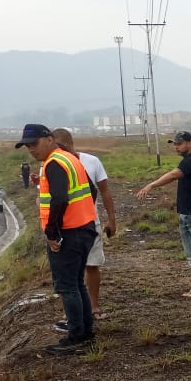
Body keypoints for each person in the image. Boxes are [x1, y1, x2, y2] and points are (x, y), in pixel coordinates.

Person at [15, 124, 98, 355]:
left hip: (68, 234)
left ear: (49, 139)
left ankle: (77, 336)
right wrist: (84, 214)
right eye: (27, 146)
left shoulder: (53, 163)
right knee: (77, 284)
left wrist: (52, 233)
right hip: (85, 229)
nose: (31, 150)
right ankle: (86, 332)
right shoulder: (69, 158)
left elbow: (60, 198)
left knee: (67, 286)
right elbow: (91, 190)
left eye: (34, 143)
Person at [52, 128, 117, 322]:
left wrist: (111, 219)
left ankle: (94, 306)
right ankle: (72, 312)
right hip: (64, 227)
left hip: (90, 223)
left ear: (69, 144)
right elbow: (45, 199)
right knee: (69, 271)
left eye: (59, 147)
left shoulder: (92, 162)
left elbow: (105, 191)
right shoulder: (51, 164)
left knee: (92, 265)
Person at [137, 131, 191, 299]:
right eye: (175, 144)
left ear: (190, 143)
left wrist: (151, 185)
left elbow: (172, 175)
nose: (176, 147)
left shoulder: (190, 162)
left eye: (179, 144)